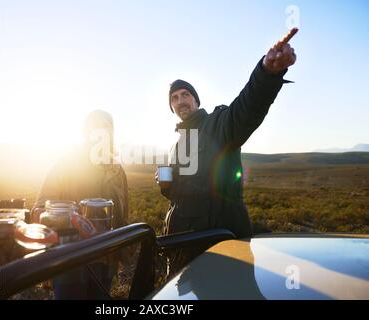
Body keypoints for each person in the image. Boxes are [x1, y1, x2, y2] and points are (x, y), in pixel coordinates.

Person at [156, 28, 298, 273]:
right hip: (181, 248)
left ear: (196, 101)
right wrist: (166, 185)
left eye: (185, 94)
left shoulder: (217, 125)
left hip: (220, 248)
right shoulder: (176, 146)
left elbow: (246, 109)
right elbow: (183, 195)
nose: (180, 101)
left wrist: (267, 73)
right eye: (174, 98)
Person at [32, 109, 129, 299]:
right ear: (85, 132)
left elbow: (123, 214)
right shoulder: (67, 163)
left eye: (106, 126)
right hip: (71, 259)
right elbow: (41, 208)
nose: (101, 130)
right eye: (95, 126)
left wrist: (123, 250)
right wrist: (73, 221)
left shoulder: (117, 170)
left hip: (107, 257)